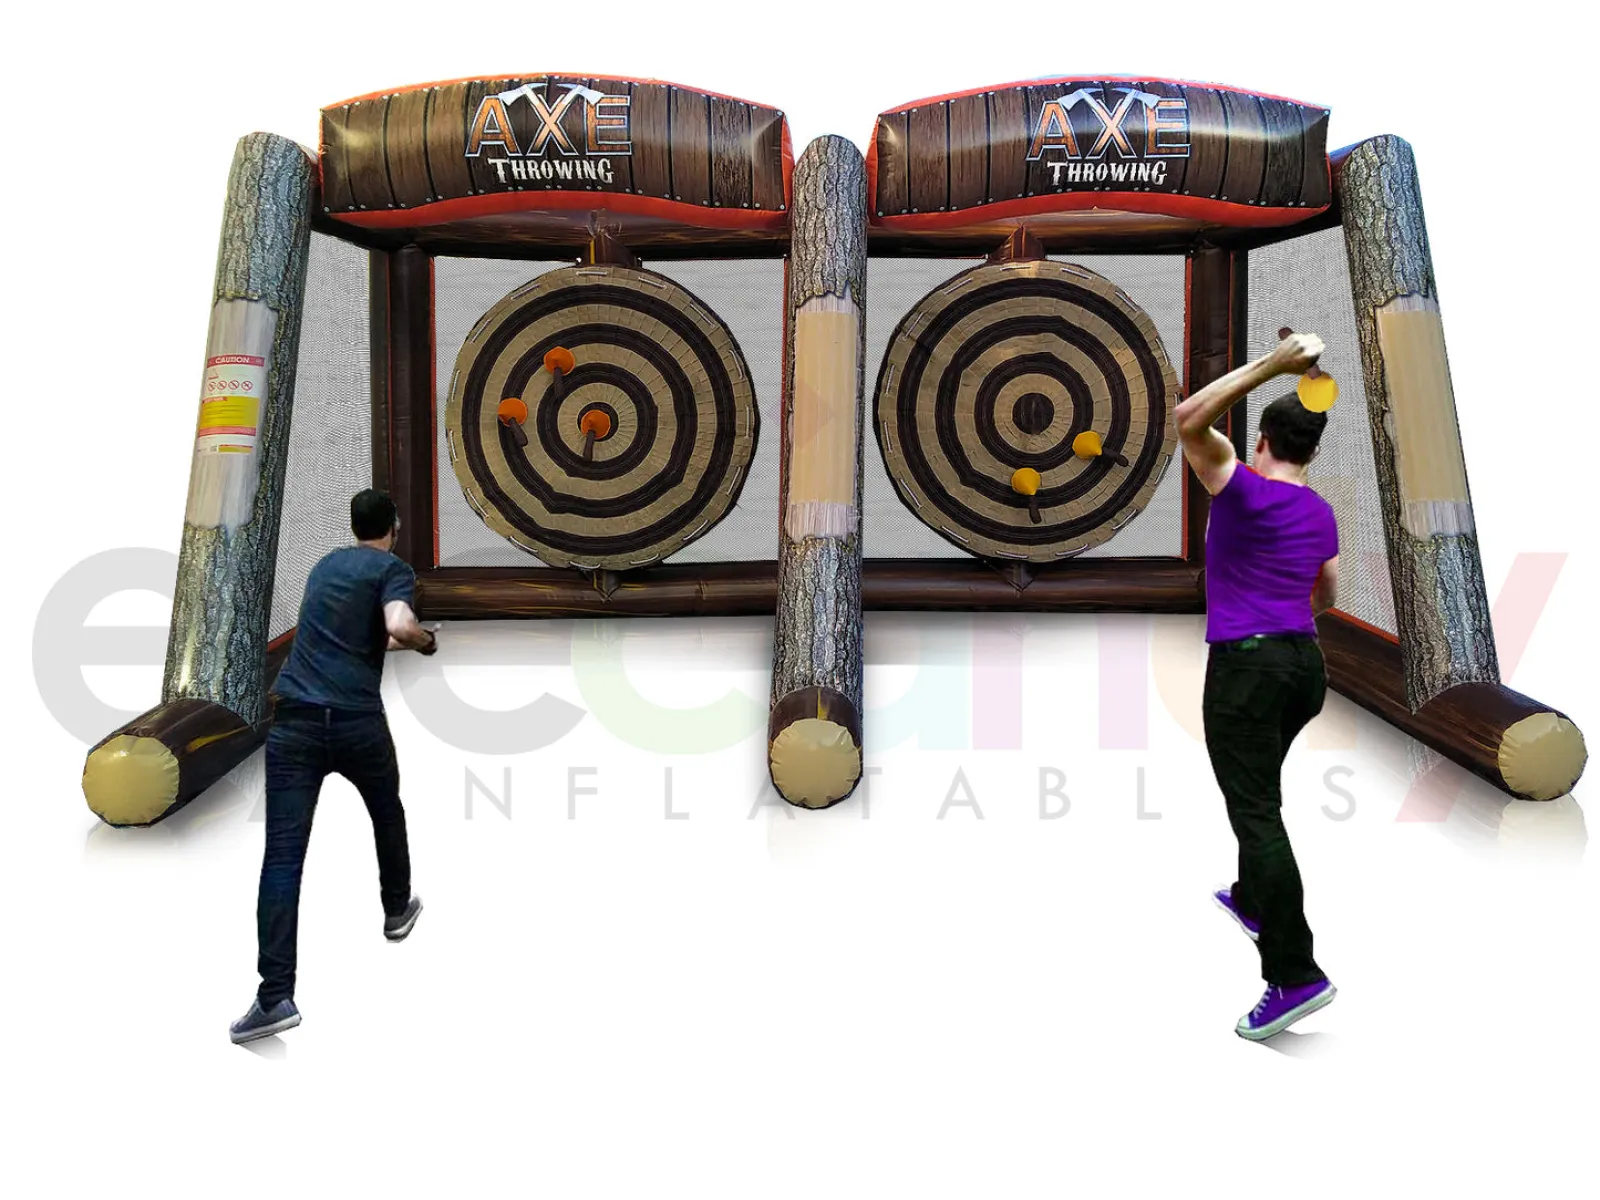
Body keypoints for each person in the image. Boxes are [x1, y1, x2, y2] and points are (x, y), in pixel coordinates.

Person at [1174, 332, 1340, 1041]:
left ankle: (1295, 975)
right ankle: (1251, 896)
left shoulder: (1239, 488)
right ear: (1312, 450)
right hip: (1305, 668)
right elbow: (1326, 595)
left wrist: (1273, 366)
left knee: (1257, 814)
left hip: (1246, 670)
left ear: (1265, 439)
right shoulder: (1320, 513)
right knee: (1259, 794)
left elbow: (1188, 418)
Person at [230, 489, 438, 1045]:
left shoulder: (324, 566)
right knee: (387, 813)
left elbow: (345, 637)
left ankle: (273, 998)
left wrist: (388, 639)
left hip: (294, 720)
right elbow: (397, 625)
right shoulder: (394, 569)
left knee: (282, 859)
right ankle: (397, 910)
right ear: (393, 527)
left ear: (352, 527)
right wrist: (425, 642)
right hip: (354, 722)